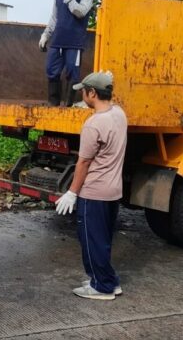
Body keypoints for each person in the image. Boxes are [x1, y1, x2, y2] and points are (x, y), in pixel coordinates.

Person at [55, 71, 127, 300]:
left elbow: (84, 162)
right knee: (103, 240)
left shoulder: (94, 124)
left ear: (92, 93)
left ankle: (102, 288)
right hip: (113, 191)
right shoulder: (119, 114)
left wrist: (72, 192)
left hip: (94, 192)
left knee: (91, 240)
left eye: (84, 91)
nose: (82, 95)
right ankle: (108, 280)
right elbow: (111, 104)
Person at [39, 0, 94, 107]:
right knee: (52, 70)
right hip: (58, 40)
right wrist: (45, 35)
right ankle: (53, 104)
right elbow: (54, 17)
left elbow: (80, 12)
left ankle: (68, 105)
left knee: (72, 72)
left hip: (74, 42)